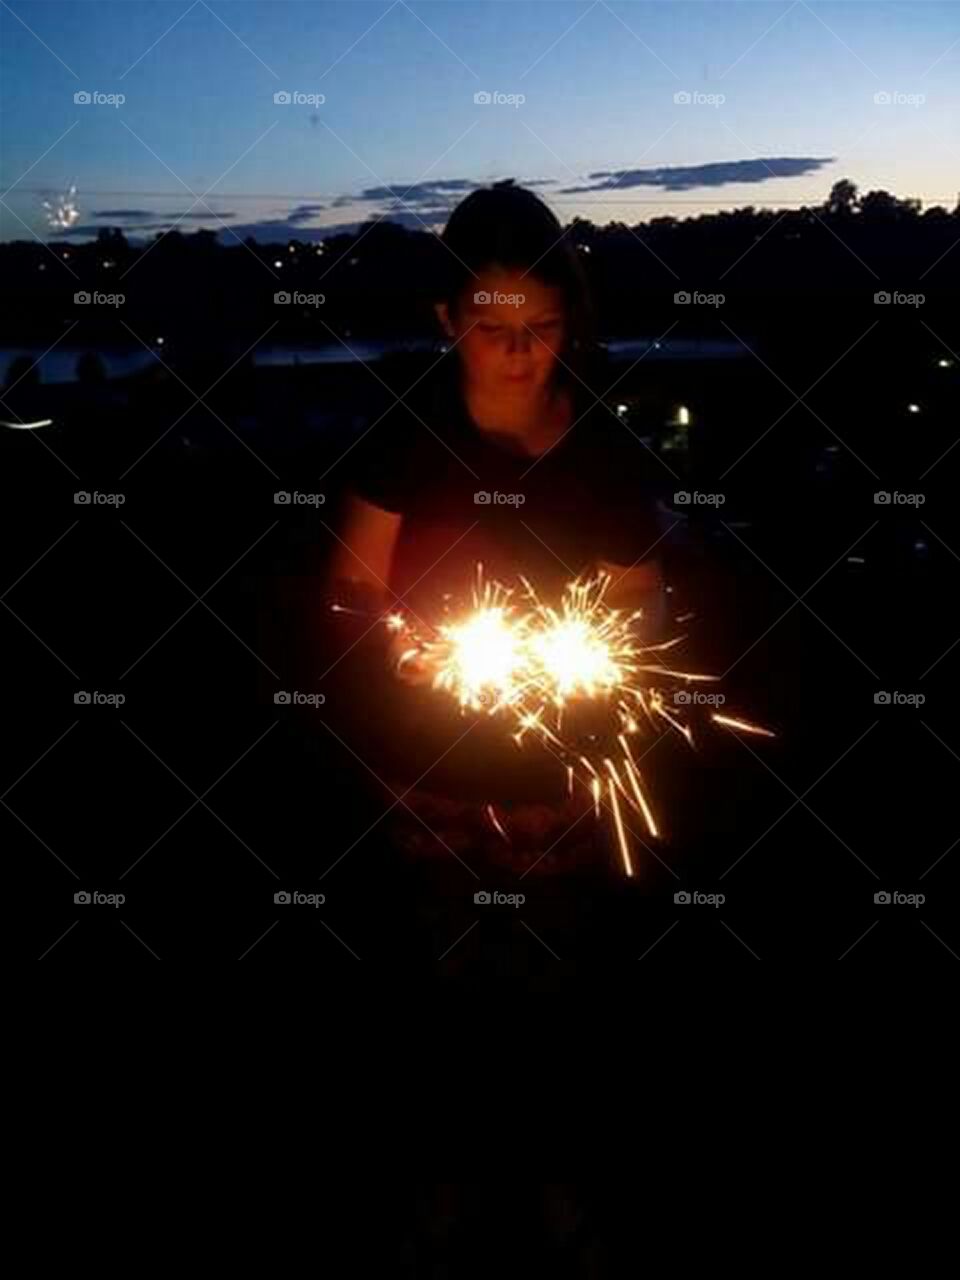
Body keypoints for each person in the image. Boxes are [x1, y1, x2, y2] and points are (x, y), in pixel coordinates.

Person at [324, 181, 667, 879]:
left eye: (541, 328)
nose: (520, 353)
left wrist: (596, 664)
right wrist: (398, 653)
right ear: (448, 319)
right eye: (493, 330)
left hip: (560, 782)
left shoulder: (603, 449)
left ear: (570, 319)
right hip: (426, 779)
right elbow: (352, 587)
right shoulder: (406, 436)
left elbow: (642, 598)